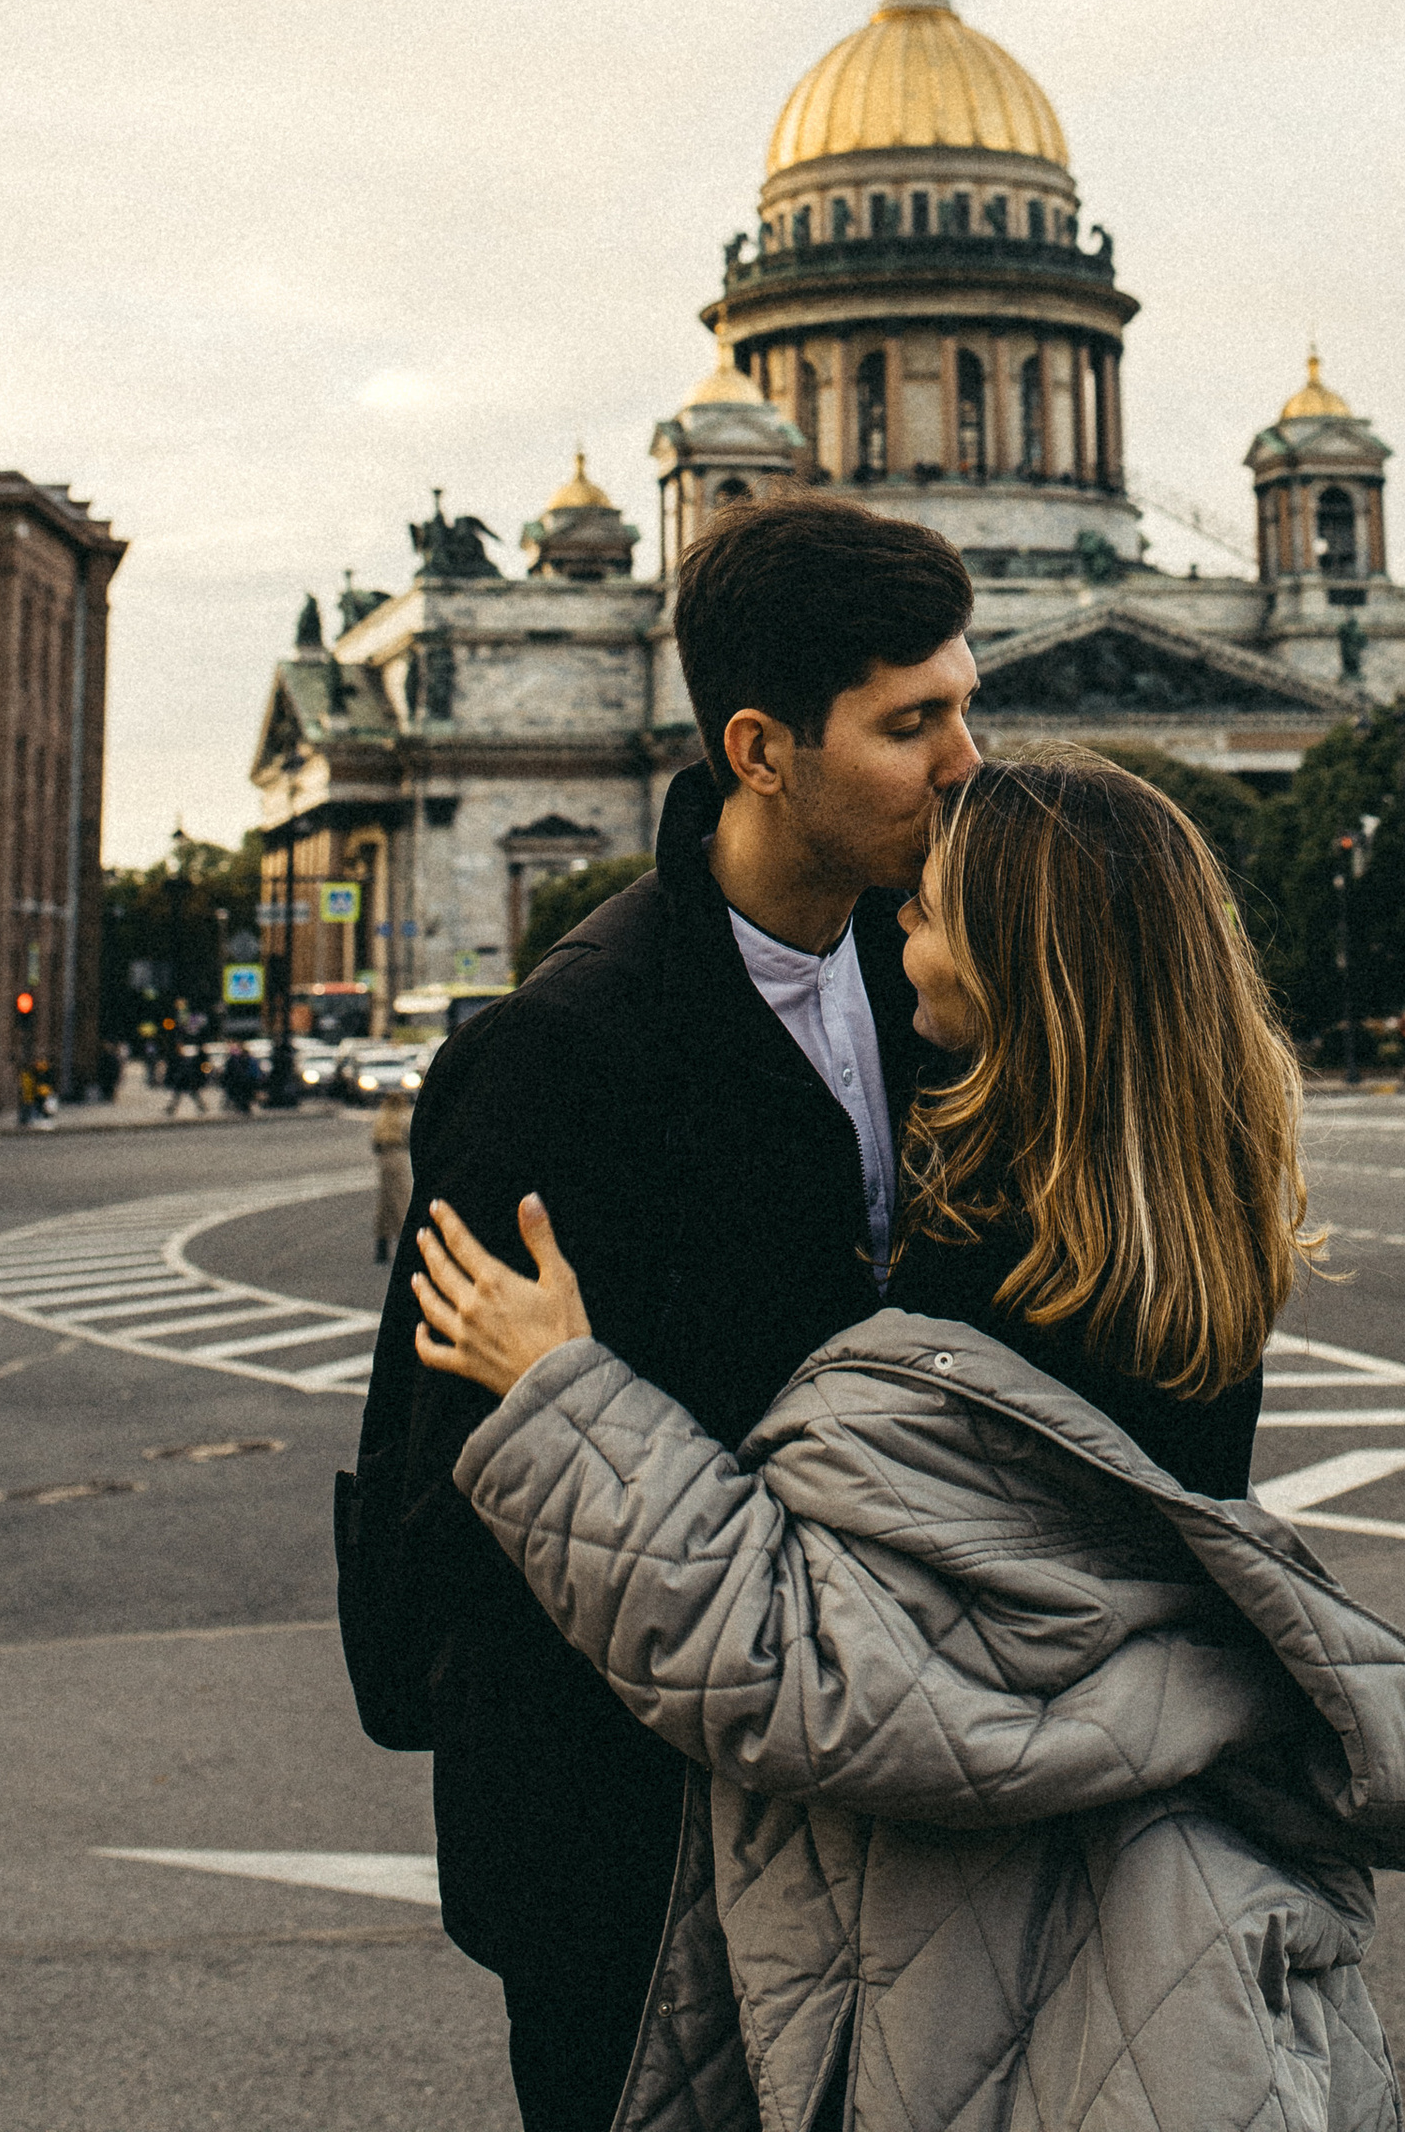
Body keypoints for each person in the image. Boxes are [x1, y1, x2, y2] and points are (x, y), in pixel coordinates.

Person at [412, 750, 1405, 2132]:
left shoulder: (997, 1286)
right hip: (1136, 1915)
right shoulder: (1173, 1236)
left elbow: (806, 1664)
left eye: (920, 909)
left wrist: (565, 1394)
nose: (891, 931)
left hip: (972, 1952)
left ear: (1011, 957)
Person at [339, 496, 981, 2132]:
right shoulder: (563, 1054)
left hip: (862, 1804)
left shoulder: (931, 987)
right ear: (764, 749)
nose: (966, 760)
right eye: (914, 724)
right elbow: (462, 1491)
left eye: (965, 707)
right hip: (624, 1848)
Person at [370, 1093, 411, 1265]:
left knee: (385, 1204)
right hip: (400, 1158)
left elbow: (375, 1143)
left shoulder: (382, 1118)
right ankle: (407, 1246)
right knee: (402, 1202)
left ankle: (382, 1246)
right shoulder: (404, 1117)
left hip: (385, 1160)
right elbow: (410, 1137)